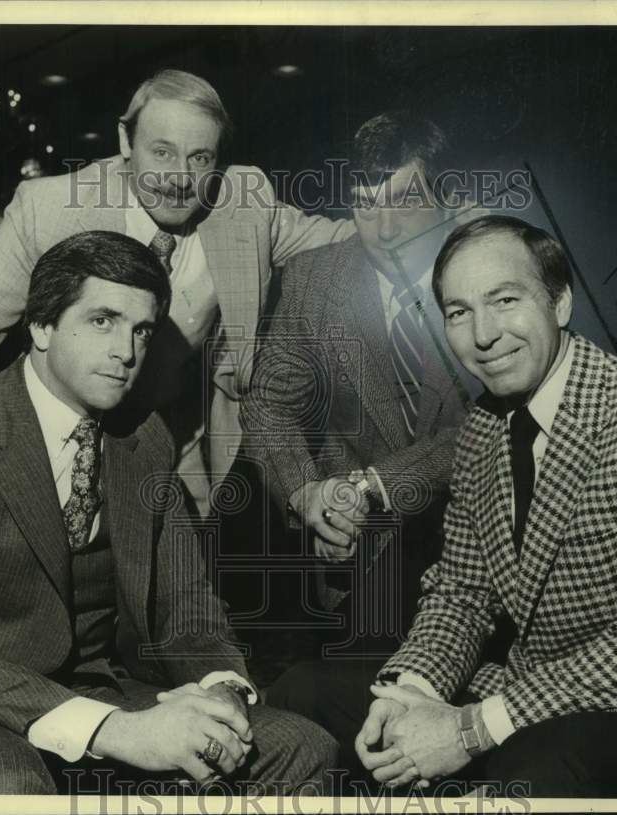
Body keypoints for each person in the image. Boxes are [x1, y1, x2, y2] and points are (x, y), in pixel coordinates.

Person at [0, 231, 336, 795]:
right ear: (42, 326)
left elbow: (186, 613)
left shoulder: (145, 439)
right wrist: (118, 731)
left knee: (300, 748)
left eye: (141, 329)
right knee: (7, 784)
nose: (127, 351)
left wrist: (221, 689)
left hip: (105, 689)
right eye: (103, 320)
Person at [289, 215, 617, 798]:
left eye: (505, 300)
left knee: (537, 764)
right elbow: (461, 595)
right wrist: (409, 692)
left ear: (560, 302)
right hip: (528, 690)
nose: (483, 334)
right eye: (459, 312)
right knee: (303, 693)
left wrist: (467, 730)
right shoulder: (482, 430)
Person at [0, 68, 353, 518]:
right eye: (162, 152)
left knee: (188, 575)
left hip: (180, 446)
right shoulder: (50, 211)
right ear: (126, 142)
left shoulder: (243, 204)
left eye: (199, 158)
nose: (179, 178)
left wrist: (422, 220)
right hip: (62, 439)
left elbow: (352, 240)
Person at [242, 111, 475, 765]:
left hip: (479, 554)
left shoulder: (492, 266)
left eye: (405, 201)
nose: (385, 228)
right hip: (359, 570)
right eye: (367, 204)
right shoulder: (316, 278)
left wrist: (373, 486)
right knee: (349, 730)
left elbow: (493, 421)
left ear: (449, 201)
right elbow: (267, 405)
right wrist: (307, 493)